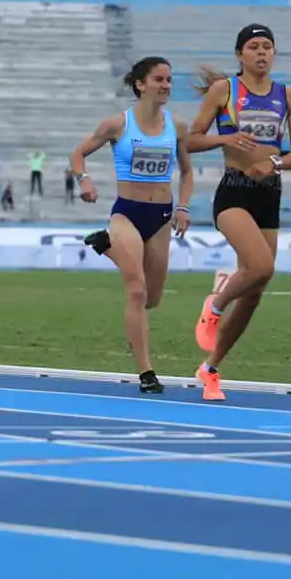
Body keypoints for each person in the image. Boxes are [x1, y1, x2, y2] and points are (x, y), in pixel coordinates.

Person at [186, 24, 291, 401]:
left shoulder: (289, 96)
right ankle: (216, 302)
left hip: (269, 193)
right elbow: (190, 140)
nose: (261, 52)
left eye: (267, 46)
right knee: (261, 267)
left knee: (255, 291)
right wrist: (225, 138)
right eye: (253, 46)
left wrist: (273, 163)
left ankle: (211, 369)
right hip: (234, 192)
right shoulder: (225, 90)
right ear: (240, 54)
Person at [70, 56, 194, 395]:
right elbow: (78, 154)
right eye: (159, 79)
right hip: (127, 214)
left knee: (152, 299)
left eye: (169, 80)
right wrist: (84, 181)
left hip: (161, 218)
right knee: (136, 291)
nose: (166, 85)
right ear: (140, 84)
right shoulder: (117, 125)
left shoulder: (178, 127)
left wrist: (183, 206)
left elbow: (187, 172)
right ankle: (147, 372)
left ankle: (105, 245)